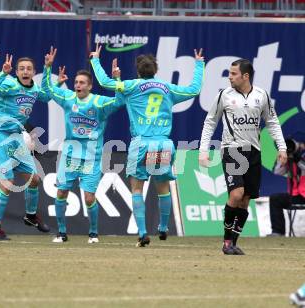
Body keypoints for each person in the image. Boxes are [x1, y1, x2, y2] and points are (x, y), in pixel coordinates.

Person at [90, 44, 205, 247]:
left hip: (142, 143)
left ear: (138, 71)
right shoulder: (168, 88)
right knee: (163, 188)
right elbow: (194, 90)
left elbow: (104, 82)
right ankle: (163, 227)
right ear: (156, 70)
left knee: (137, 188)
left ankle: (142, 232)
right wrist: (199, 65)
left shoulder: (131, 86)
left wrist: (96, 60)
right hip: (163, 143)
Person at [199, 59, 287, 255]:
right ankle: (227, 241)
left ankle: (234, 243)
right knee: (236, 194)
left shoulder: (261, 95)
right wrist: (203, 149)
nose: (229, 77)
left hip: (254, 152)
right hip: (232, 150)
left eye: (233, 74)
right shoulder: (224, 95)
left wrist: (281, 148)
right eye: (229, 73)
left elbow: (272, 122)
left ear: (245, 76)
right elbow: (210, 122)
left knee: (246, 199)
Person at [42, 47, 124, 243]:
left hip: (91, 157)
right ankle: (61, 233)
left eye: (82, 83)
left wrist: (117, 80)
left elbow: (120, 101)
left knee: (89, 198)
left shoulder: (98, 103)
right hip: (69, 156)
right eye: (76, 82)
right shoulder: (68, 98)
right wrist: (47, 67)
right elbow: (47, 91)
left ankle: (93, 233)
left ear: (90, 86)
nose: (78, 85)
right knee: (61, 192)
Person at [0, 54, 54, 240]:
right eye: (21, 68)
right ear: (16, 72)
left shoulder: (34, 89)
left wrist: (48, 69)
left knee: (35, 179)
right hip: (0, 136)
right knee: (7, 183)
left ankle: (30, 216)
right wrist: (2, 74)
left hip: (16, 139)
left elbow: (47, 97)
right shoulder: (10, 84)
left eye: (29, 68)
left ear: (33, 72)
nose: (25, 71)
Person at [268, 138, 305, 236]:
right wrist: (282, 159)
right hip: (295, 195)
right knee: (275, 199)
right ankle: (278, 232)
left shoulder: (300, 158)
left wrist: (298, 159)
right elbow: (277, 172)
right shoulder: (291, 160)